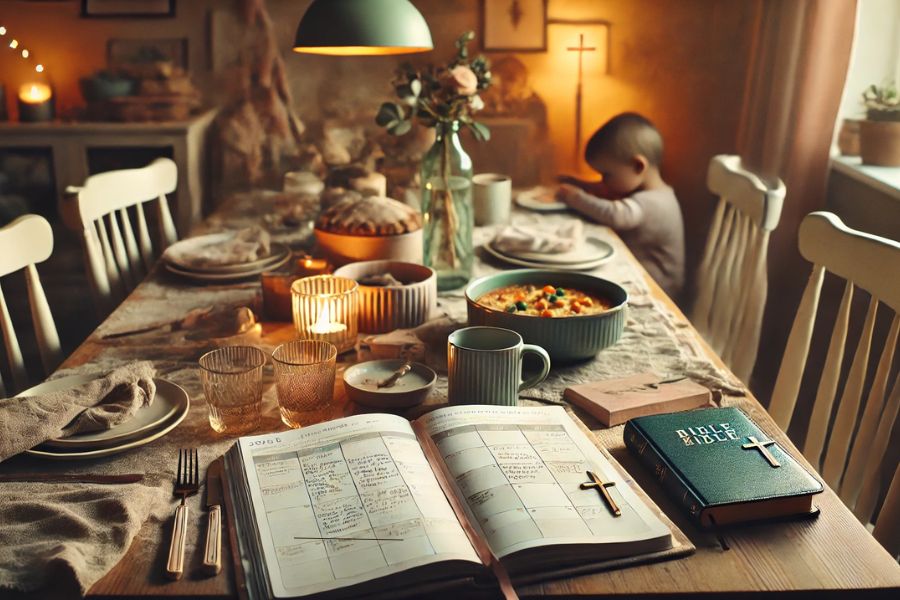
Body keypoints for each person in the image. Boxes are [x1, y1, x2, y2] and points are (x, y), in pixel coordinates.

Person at [556, 112, 685, 299]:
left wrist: (577, 198)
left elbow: (616, 214)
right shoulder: (649, 192)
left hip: (658, 289)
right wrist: (580, 185)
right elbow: (606, 191)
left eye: (607, 174)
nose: (604, 181)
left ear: (638, 166)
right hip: (642, 277)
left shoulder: (653, 202)